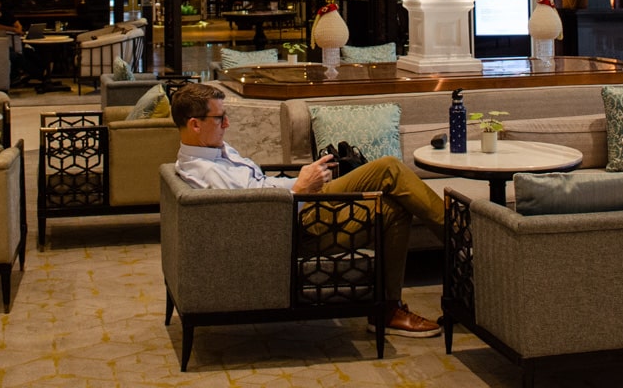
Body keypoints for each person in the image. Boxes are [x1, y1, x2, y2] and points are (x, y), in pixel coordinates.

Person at [170, 82, 444, 338]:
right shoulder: (206, 172)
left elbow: (261, 185)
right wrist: (300, 189)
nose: (227, 124)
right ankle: (459, 238)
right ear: (195, 124)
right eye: (220, 118)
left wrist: (302, 179)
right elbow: (254, 220)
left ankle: (388, 310)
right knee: (388, 168)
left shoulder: (217, 149)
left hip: (301, 204)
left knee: (394, 208)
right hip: (296, 226)